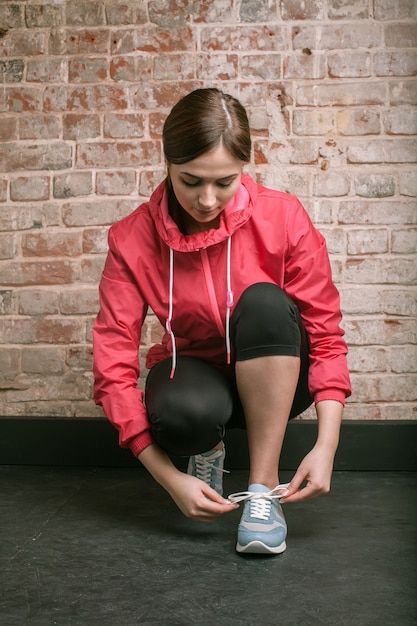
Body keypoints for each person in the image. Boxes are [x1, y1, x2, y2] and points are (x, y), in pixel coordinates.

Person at [93, 87, 351, 555]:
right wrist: (170, 479)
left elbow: (327, 336)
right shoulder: (132, 239)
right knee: (180, 410)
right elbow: (112, 367)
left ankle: (261, 489)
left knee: (266, 303)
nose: (207, 199)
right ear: (167, 164)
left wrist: (327, 443)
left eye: (224, 182)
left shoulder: (283, 216)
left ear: (243, 170)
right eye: (190, 181)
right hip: (199, 385)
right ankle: (204, 452)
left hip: (278, 377)